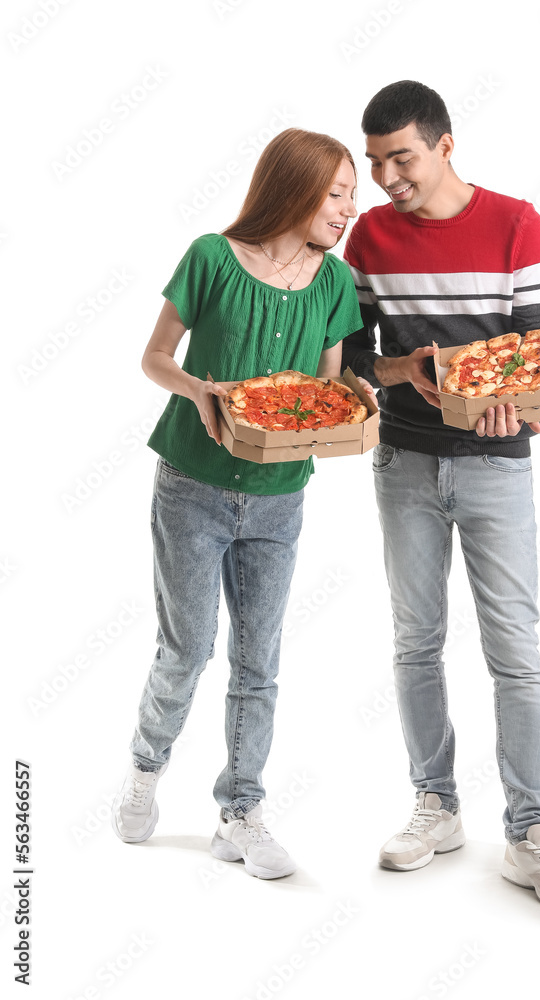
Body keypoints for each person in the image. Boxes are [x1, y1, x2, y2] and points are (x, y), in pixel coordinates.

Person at [341, 80, 540, 910]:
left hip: (496, 464)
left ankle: (530, 831)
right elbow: (352, 361)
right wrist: (403, 369)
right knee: (416, 641)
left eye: (401, 158)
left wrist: (515, 399)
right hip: (405, 462)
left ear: (444, 145)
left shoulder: (517, 223)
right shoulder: (367, 237)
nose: (386, 178)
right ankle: (435, 805)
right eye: (375, 162)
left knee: (513, 650)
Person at [112, 128, 362, 880]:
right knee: (187, 650)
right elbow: (154, 357)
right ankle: (145, 769)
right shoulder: (212, 257)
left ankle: (240, 813)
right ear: (294, 188)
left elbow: (324, 388)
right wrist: (199, 391)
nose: (349, 209)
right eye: (337, 193)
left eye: (352, 195)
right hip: (192, 485)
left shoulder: (335, 281)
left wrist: (352, 408)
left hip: (280, 497)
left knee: (259, 661)